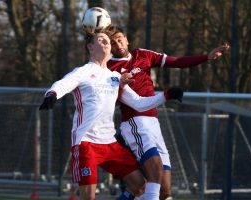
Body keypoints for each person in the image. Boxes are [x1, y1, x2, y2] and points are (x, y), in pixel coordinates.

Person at [39, 30, 183, 200]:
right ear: (90, 47)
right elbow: (63, 83)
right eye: (101, 40)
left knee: (139, 185)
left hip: (110, 143)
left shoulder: (115, 77)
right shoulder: (83, 71)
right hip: (86, 143)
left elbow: (138, 103)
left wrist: (166, 95)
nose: (107, 42)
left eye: (108, 40)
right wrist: (52, 93)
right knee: (88, 197)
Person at [106, 26, 230, 200]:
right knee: (153, 175)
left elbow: (176, 61)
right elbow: (132, 103)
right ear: (108, 47)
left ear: (127, 39)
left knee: (165, 191)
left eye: (119, 39)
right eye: (112, 42)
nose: (117, 44)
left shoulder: (142, 54)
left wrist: (206, 57)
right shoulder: (110, 69)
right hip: (135, 123)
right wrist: (166, 94)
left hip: (153, 123)